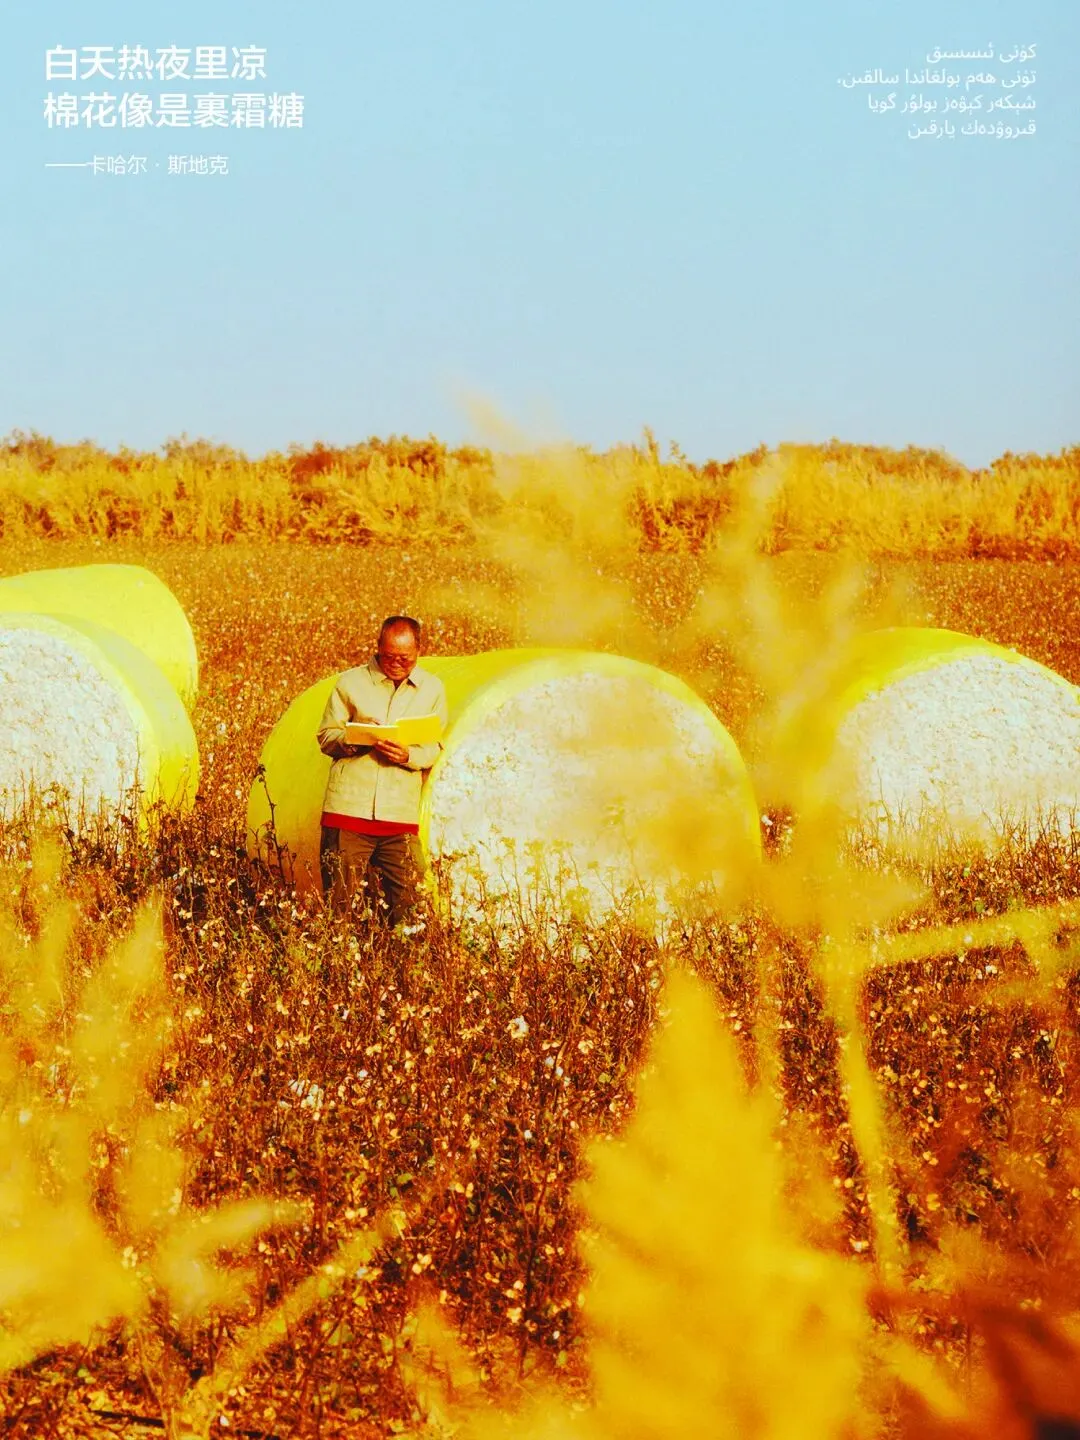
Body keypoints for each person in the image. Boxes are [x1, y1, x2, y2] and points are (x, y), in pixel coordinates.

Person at [316, 615, 449, 930]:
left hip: (399, 819)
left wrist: (408, 755)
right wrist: (357, 739)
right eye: (389, 657)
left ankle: (408, 971)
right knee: (340, 909)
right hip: (347, 814)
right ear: (377, 648)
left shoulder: (432, 689)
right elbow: (325, 736)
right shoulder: (350, 683)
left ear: (419, 651)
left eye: (405, 658)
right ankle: (337, 971)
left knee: (413, 909)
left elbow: (435, 747)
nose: (396, 664)